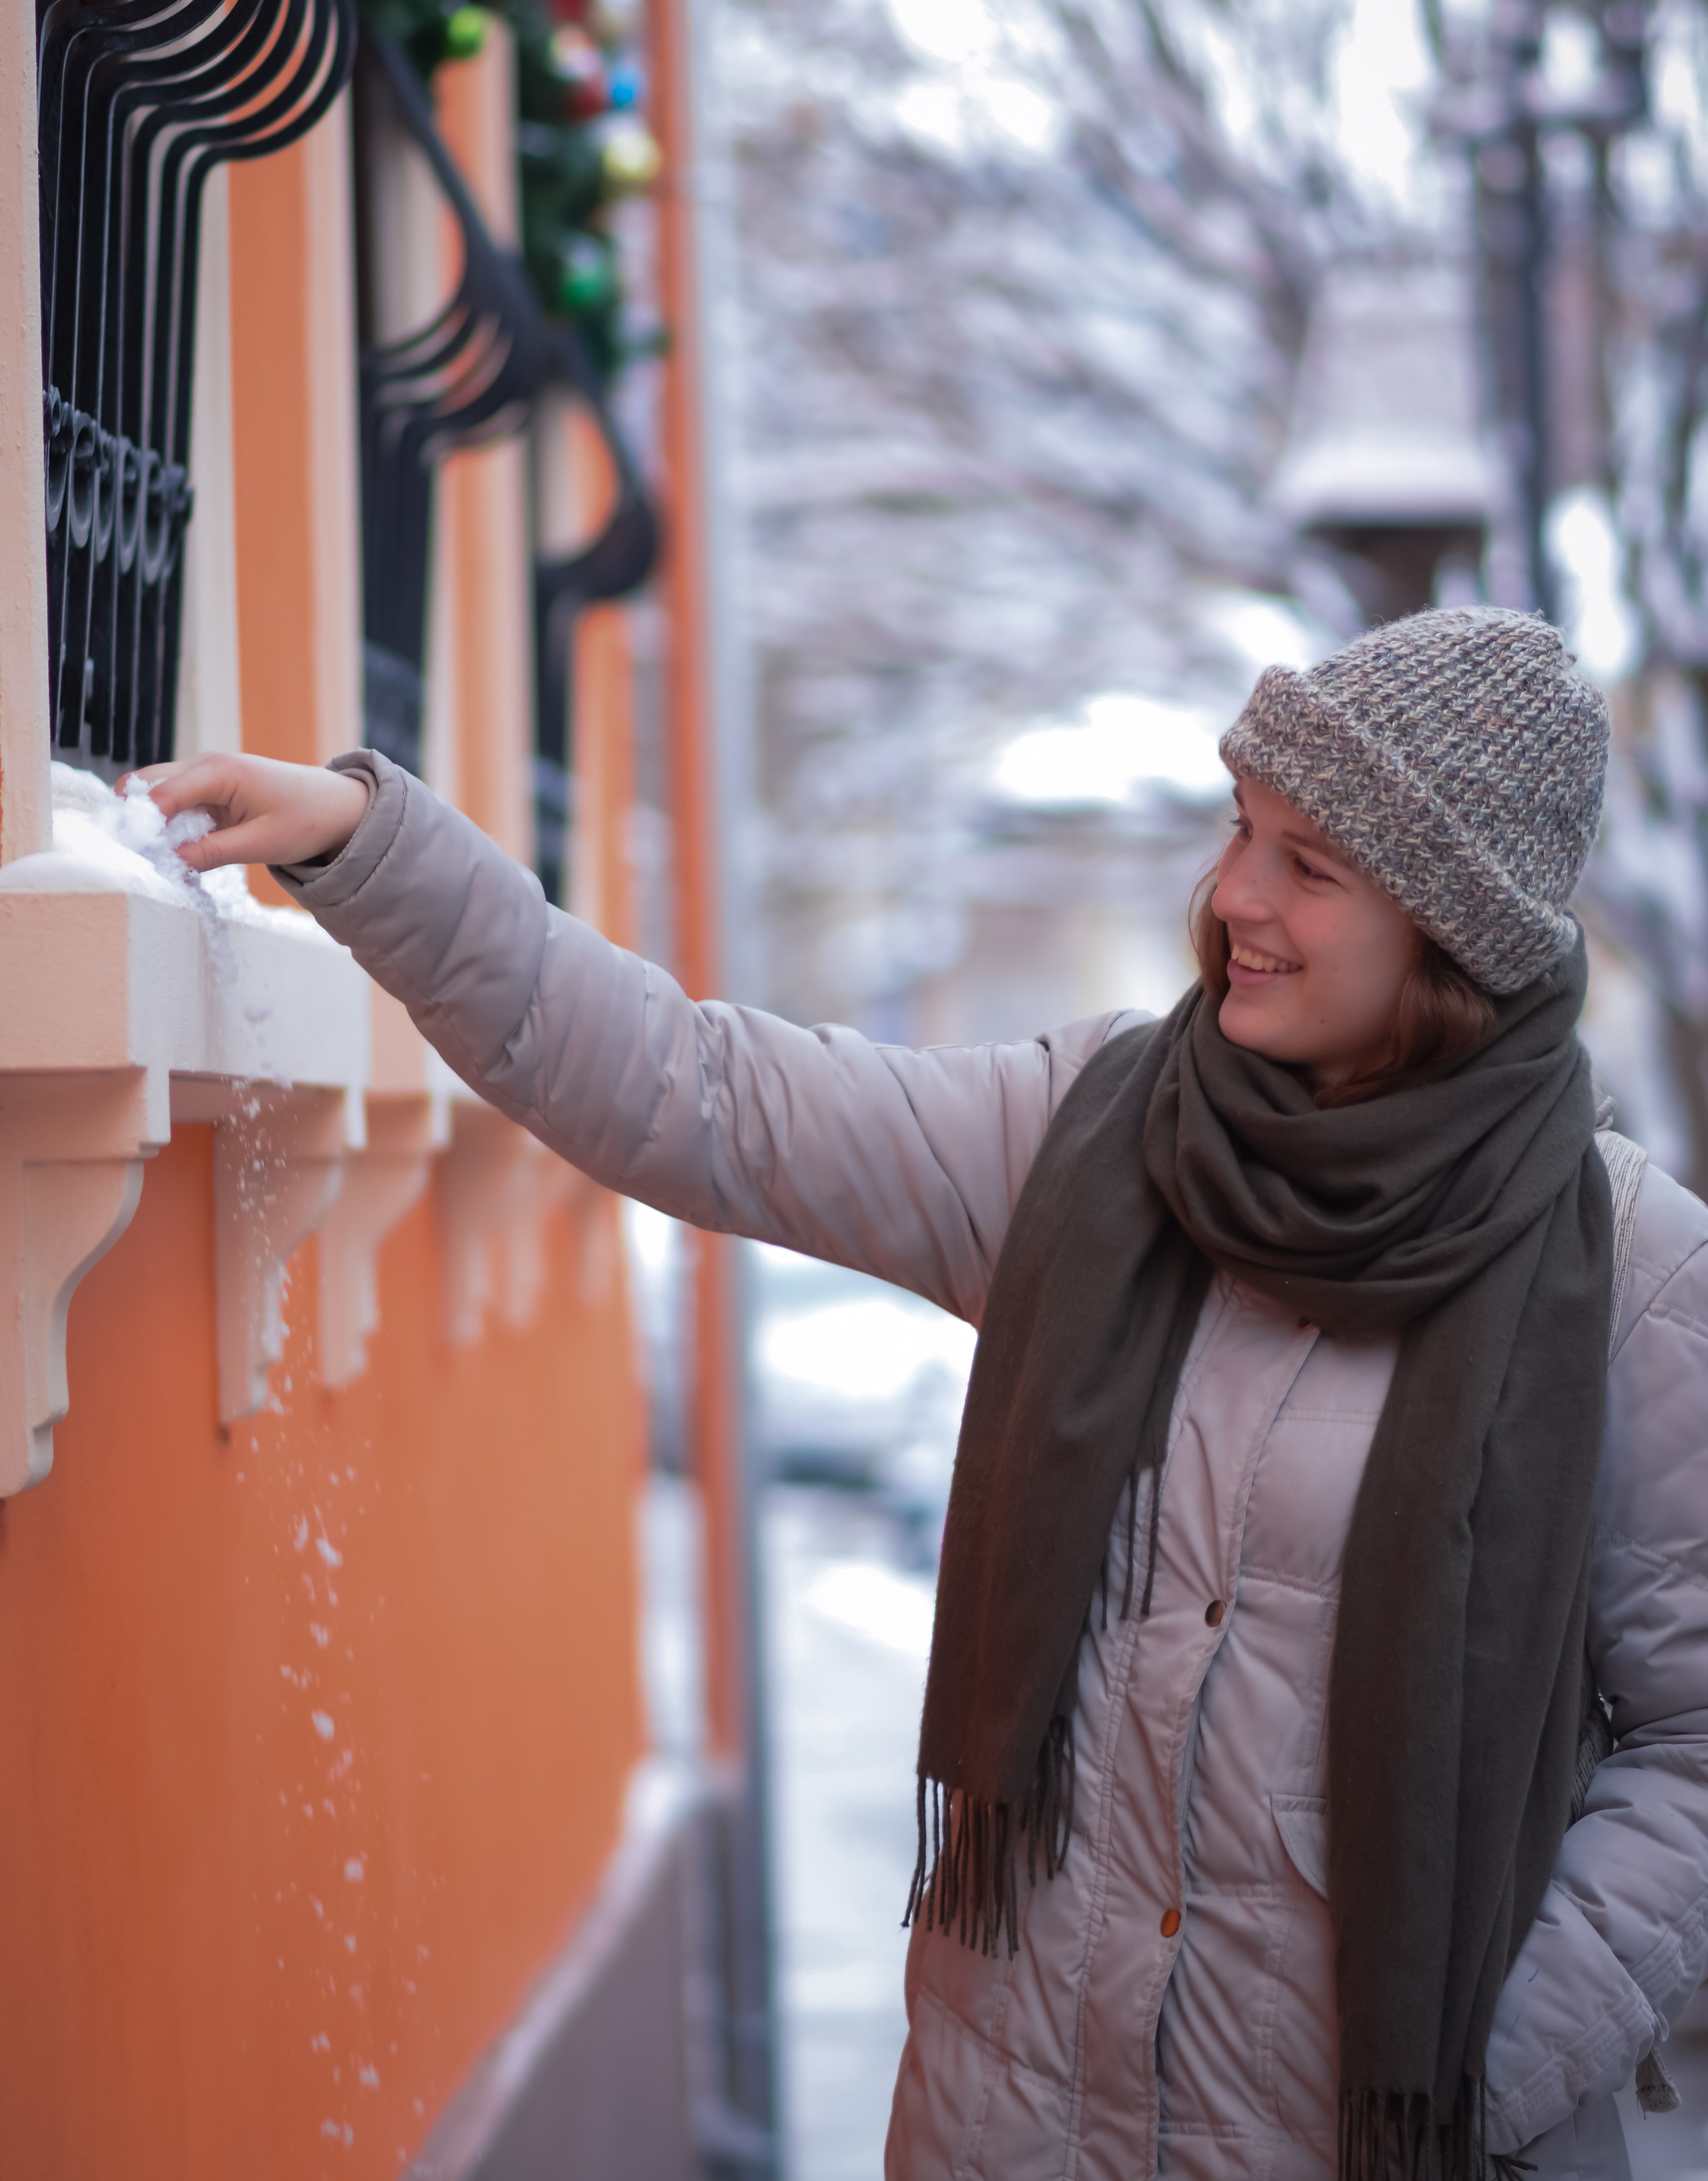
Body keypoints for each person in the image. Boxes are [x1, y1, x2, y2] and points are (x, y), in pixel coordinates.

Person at [133, 605, 1708, 2181]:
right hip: (1007, 2126)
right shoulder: (1092, 1140)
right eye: (1242, 831)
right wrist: (375, 851)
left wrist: (1486, 2057)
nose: (1234, 896)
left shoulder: (1628, 1274)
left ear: (1451, 930)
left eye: (1312, 866)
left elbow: (1691, 1751)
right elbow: (704, 1094)